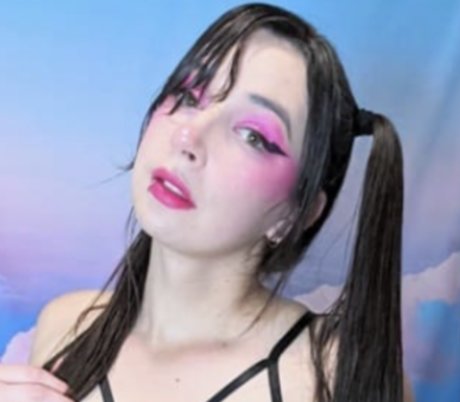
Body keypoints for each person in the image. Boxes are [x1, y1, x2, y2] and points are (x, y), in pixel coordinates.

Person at [0, 3, 413, 402]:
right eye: (187, 96)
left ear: (296, 214)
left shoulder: (334, 375)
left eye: (253, 135)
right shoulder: (65, 327)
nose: (189, 136)